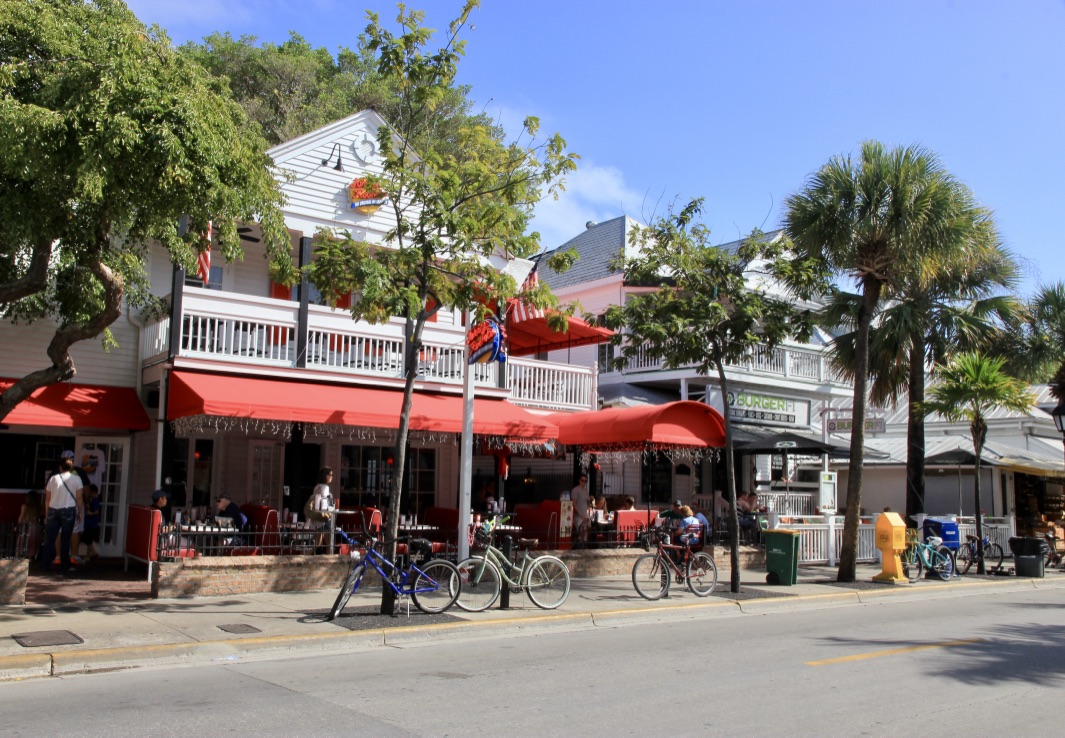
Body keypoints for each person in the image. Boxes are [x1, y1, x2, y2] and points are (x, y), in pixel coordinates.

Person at [41, 455, 84, 572]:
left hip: (53, 510)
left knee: (50, 538)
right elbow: (79, 497)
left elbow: (47, 497)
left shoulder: (53, 478)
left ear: (60, 467)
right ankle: (65, 565)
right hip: (68, 510)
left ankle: (45, 564)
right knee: (66, 538)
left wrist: (47, 512)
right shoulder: (77, 479)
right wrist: (79, 511)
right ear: (71, 467)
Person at [17, 490, 44, 561]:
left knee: (24, 540)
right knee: (33, 541)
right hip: (35, 527)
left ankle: (21, 555)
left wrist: (18, 525)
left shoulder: (24, 506)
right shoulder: (39, 507)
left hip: (26, 526)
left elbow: (21, 517)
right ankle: (30, 557)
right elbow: (41, 515)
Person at [82, 483, 102, 562]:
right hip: (88, 523)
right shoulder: (91, 500)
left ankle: (88, 555)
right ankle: (94, 552)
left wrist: (90, 513)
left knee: (89, 540)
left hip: (92, 524)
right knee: (85, 539)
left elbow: (96, 511)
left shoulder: (96, 501)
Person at [570, 473, 590, 543]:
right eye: (582, 480)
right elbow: (573, 503)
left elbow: (587, 503)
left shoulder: (586, 491)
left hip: (584, 515)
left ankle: (583, 547)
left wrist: (590, 500)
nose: (584, 482)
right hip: (578, 516)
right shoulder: (575, 490)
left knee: (584, 535)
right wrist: (580, 514)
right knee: (579, 534)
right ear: (579, 480)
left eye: (585, 481)